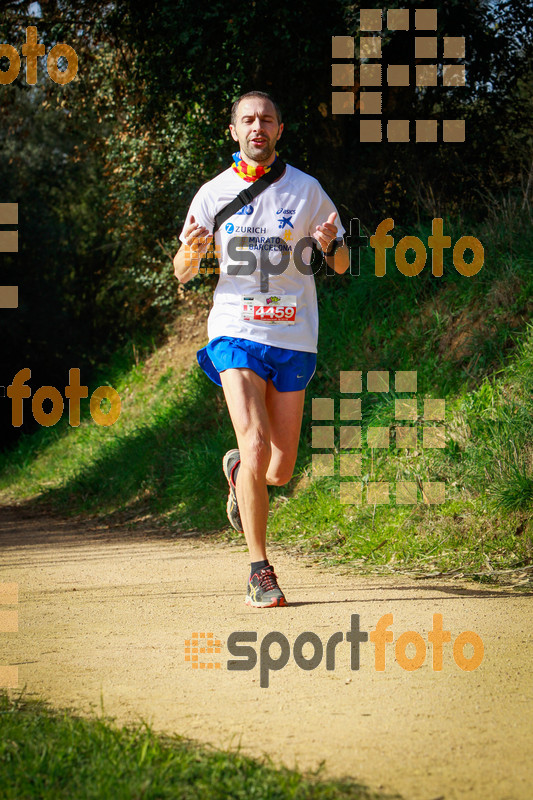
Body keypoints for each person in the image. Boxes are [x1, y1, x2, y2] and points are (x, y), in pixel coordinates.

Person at [174, 91, 349, 607]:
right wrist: (193, 251)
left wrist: (329, 246)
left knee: (278, 470)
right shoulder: (212, 193)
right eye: (247, 119)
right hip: (235, 330)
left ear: (278, 129)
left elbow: (340, 265)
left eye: (266, 119)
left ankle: (236, 472)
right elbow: (181, 273)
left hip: (294, 335)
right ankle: (259, 569)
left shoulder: (308, 191)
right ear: (234, 131)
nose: (257, 127)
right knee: (253, 444)